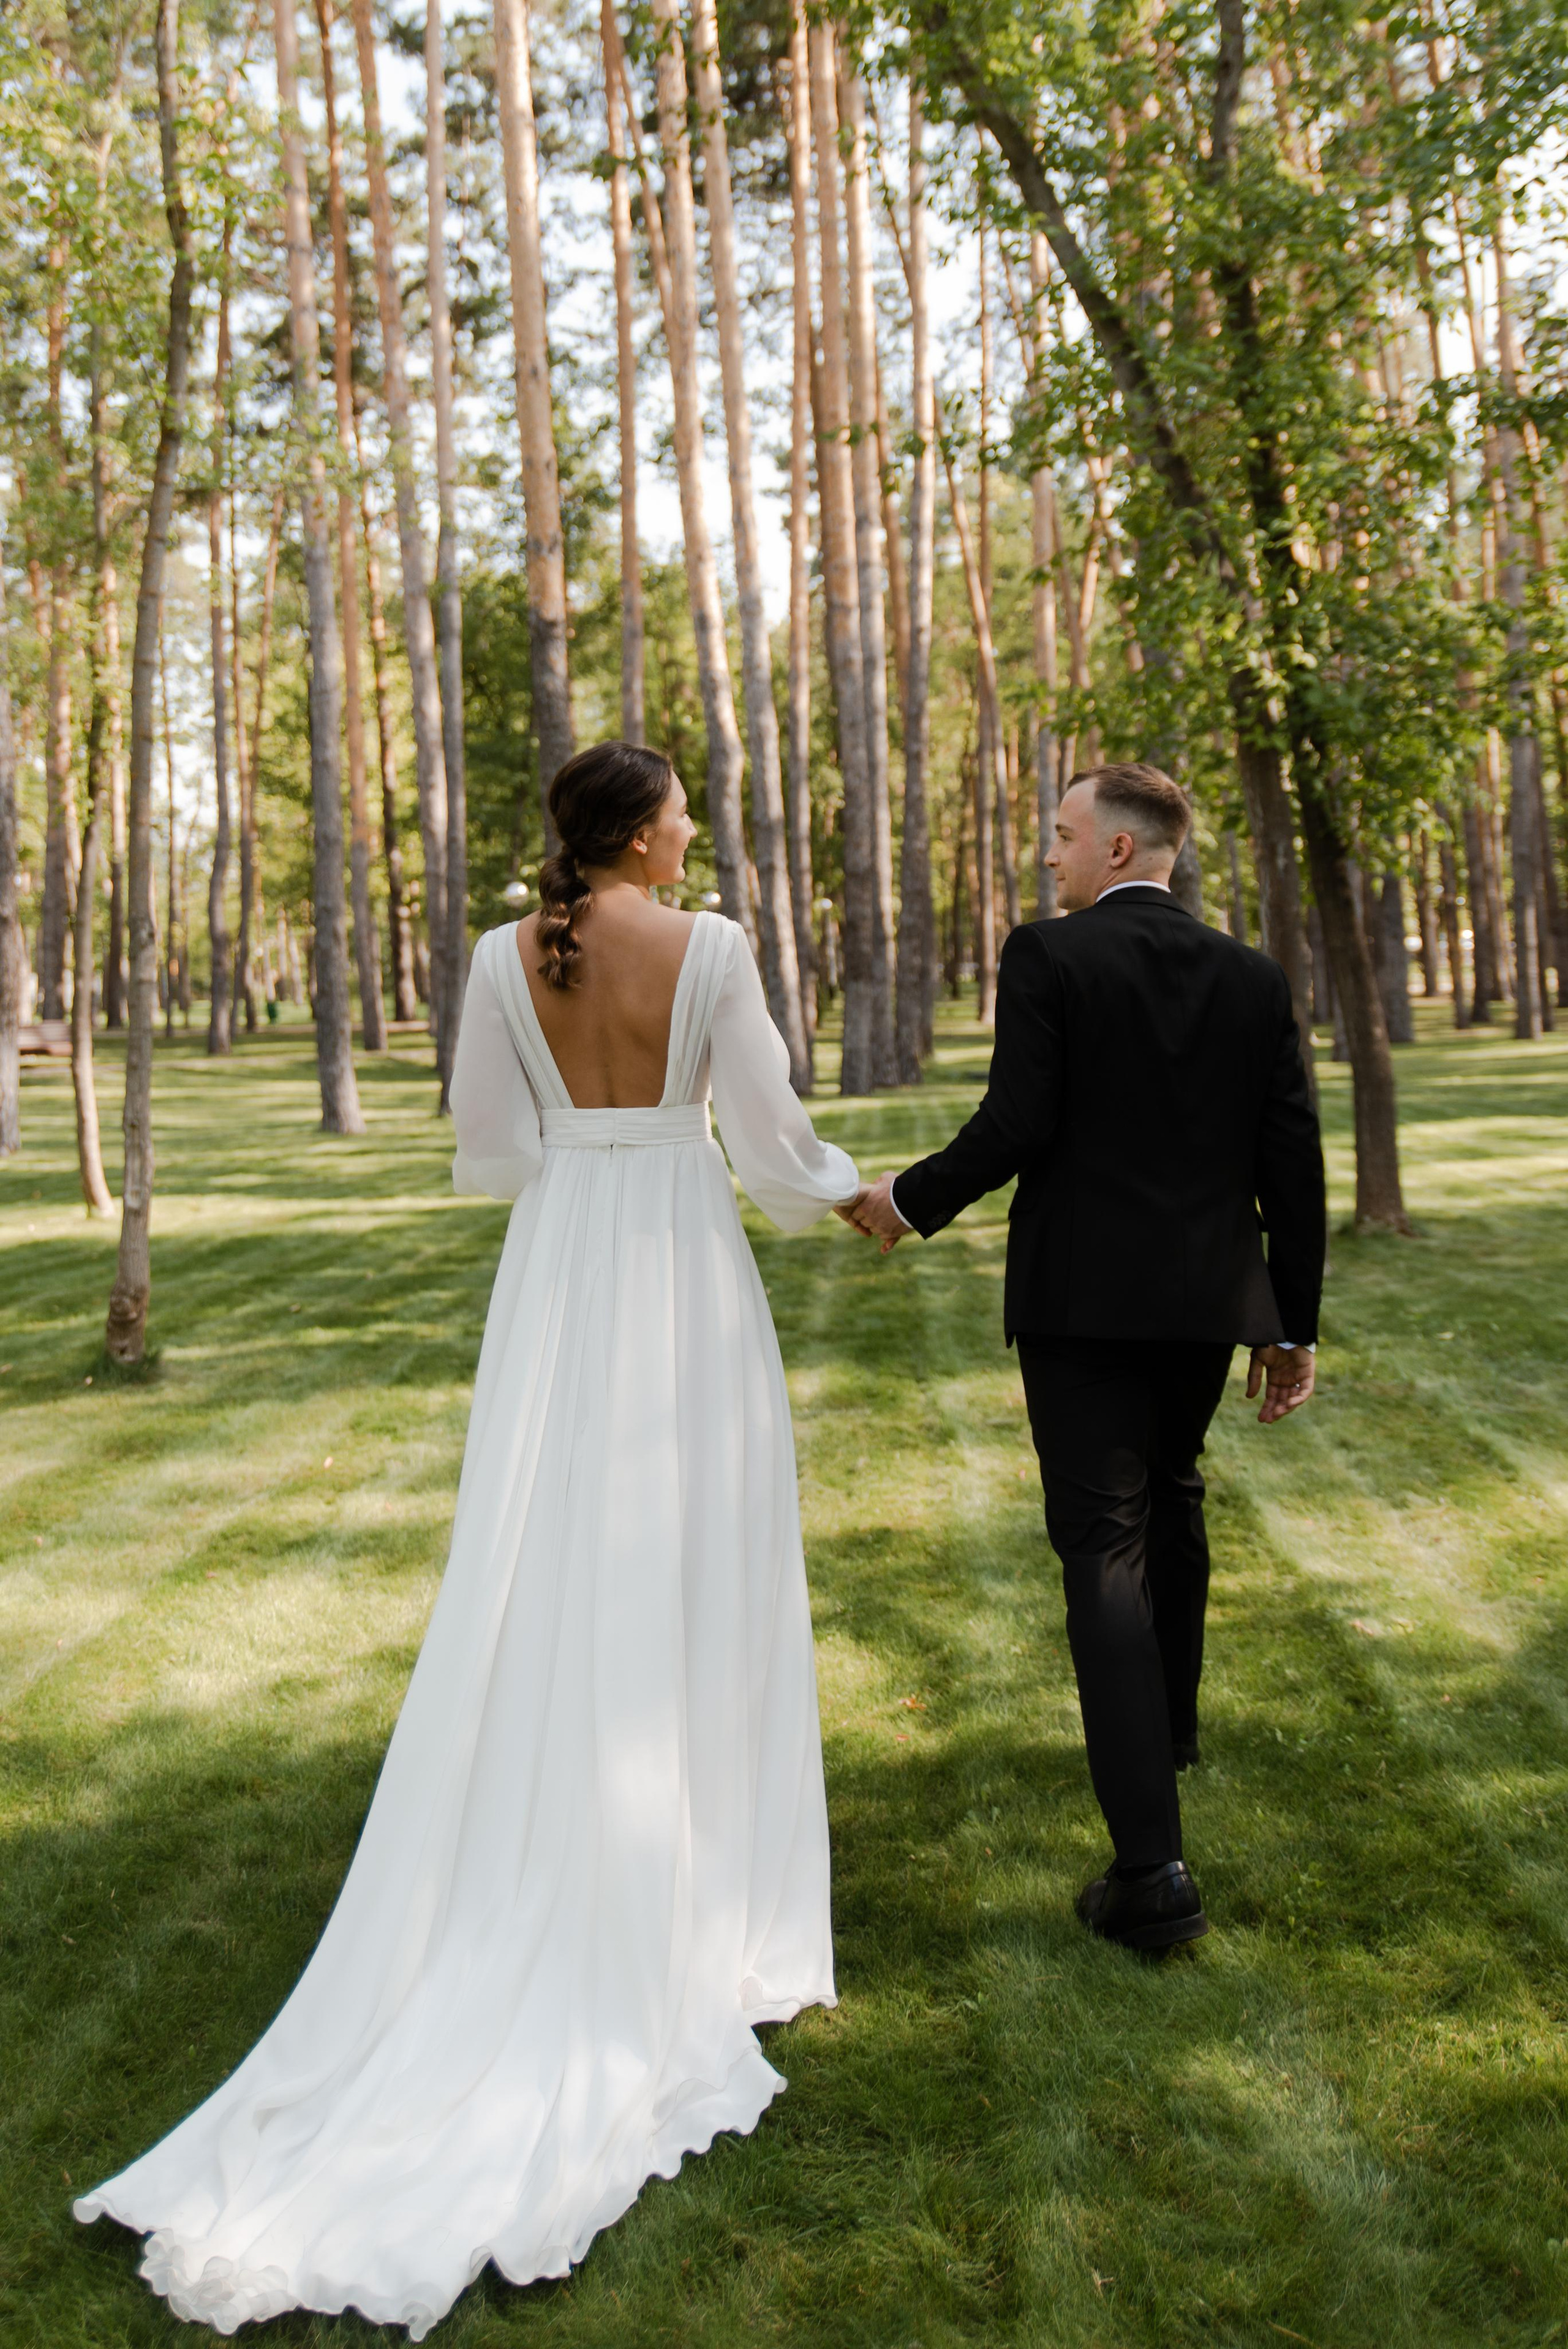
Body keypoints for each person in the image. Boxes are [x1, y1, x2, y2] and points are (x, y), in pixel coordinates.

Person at [75, 743, 861, 2336]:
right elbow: (774, 1156)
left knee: (558, 1567)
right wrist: (858, 1195)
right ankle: (707, 1914)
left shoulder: (508, 958)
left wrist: (591, 1148)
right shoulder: (710, 947)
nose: (697, 823)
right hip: (678, 1273)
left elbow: (494, 1152)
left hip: (566, 1277)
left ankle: (579, 1853)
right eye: (683, 806)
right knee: (698, 1568)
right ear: (645, 832)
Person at [844, 762, 1325, 1953]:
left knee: (1103, 1549)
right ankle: (1164, 1735)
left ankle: (1150, 1873)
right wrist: (1289, 1321)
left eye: (1059, 836)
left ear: (1117, 850)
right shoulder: (1253, 977)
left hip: (1079, 1306)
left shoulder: (1048, 957)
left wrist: (904, 1201)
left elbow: (1018, 1123)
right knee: (1171, 1498)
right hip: (1209, 1304)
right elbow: (1293, 1165)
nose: (1047, 855)